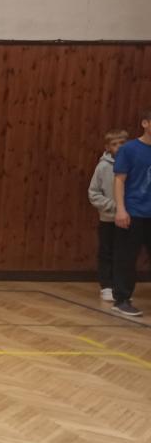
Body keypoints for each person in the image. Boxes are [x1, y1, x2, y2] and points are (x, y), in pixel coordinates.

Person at [111, 109, 151, 317]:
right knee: (126, 257)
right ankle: (122, 299)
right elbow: (119, 180)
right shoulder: (130, 149)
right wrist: (121, 209)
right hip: (133, 211)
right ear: (145, 123)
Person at [88, 129, 128, 303]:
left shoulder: (133, 164)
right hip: (108, 219)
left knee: (124, 253)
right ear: (107, 147)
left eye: (122, 143)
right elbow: (93, 194)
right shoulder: (103, 167)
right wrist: (114, 206)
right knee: (107, 252)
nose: (119, 147)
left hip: (129, 218)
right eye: (114, 144)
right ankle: (106, 286)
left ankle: (121, 286)